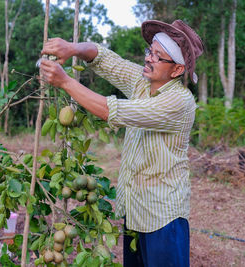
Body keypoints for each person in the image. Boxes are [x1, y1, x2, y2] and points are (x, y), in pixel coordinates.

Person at [39, 19, 203, 267]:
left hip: (163, 218)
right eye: (150, 51)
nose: (149, 58)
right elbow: (106, 60)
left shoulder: (179, 102)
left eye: (158, 57)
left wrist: (65, 82)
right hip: (135, 212)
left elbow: (111, 111)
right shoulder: (143, 82)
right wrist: (74, 48)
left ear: (177, 70)